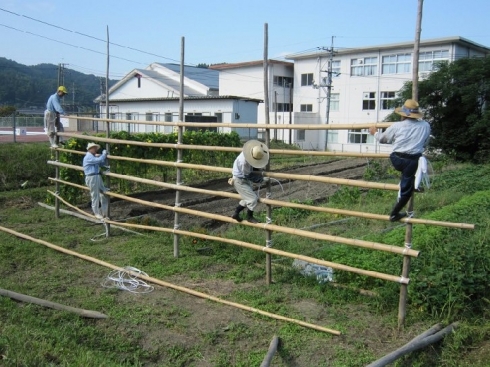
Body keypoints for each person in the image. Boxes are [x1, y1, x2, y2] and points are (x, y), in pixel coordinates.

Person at [369, 99, 431, 222]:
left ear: (403, 114)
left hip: (396, 158)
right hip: (413, 161)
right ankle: (394, 213)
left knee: (408, 179)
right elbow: (426, 142)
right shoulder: (425, 125)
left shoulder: (397, 126)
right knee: (407, 188)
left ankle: (412, 183)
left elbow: (383, 139)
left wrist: (374, 132)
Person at [230, 140, 270, 223]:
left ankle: (236, 213)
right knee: (252, 199)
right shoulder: (243, 162)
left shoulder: (248, 153)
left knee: (247, 198)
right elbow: (247, 175)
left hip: (242, 179)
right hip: (239, 180)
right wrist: (261, 179)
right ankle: (249, 216)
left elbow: (252, 166)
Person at [83, 142, 109, 220]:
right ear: (90, 149)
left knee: (104, 193)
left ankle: (104, 212)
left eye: (95, 148)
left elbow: (101, 163)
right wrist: (103, 154)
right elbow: (98, 161)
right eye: (94, 148)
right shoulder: (88, 157)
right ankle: (96, 213)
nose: (95, 149)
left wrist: (103, 157)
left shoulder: (93, 157)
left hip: (97, 176)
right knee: (95, 195)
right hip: (92, 177)